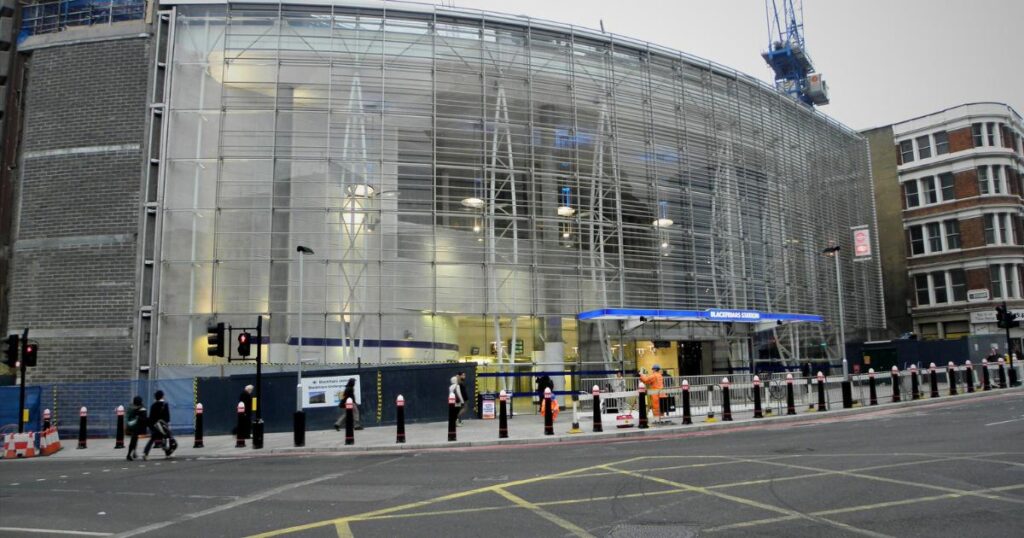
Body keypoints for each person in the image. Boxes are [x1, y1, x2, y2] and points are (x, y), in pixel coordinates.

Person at [143, 390, 174, 460]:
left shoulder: (153, 406)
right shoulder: (165, 405)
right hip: (163, 426)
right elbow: (167, 418)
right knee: (165, 437)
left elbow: (151, 417)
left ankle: (145, 453)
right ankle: (167, 454)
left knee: (152, 440)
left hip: (155, 426)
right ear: (162, 396)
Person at [125, 395, 147, 461]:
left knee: (135, 439)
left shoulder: (133, 407)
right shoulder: (133, 409)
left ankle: (134, 452)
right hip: (133, 426)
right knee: (133, 440)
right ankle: (129, 454)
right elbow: (129, 419)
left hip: (133, 426)